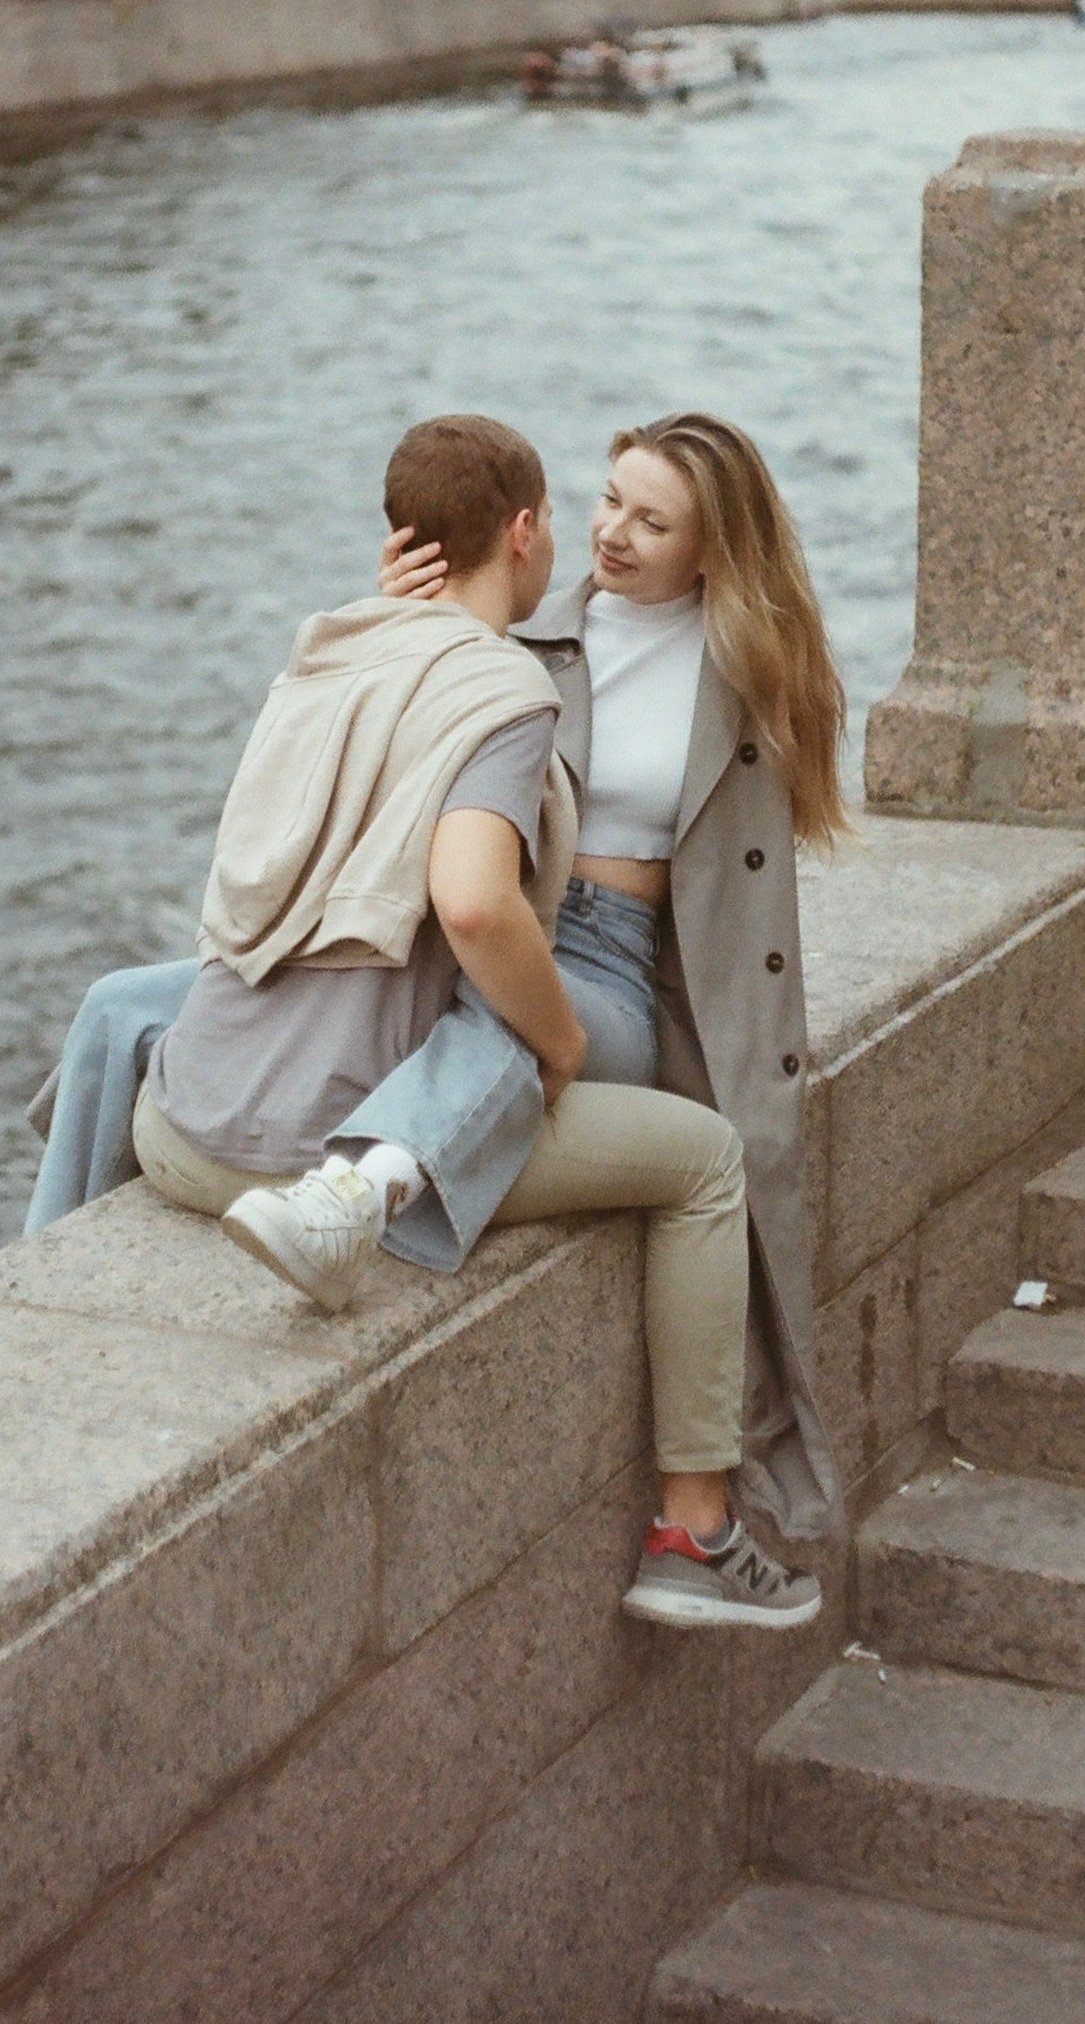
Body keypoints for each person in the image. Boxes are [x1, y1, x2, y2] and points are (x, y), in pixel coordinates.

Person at [130, 412, 821, 1633]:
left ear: (717, 549)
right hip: (480, 932)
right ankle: (347, 1185)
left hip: (605, 964)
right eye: (604, 500)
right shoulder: (532, 631)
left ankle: (364, 1190)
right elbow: (417, 720)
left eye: (649, 519)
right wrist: (409, 607)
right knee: (153, 999)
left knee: (524, 1034)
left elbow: (762, 870)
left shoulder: (752, 672)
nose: (609, 532)